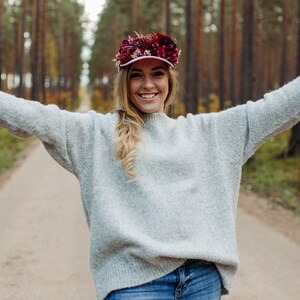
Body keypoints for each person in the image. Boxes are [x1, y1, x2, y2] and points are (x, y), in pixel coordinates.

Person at [0, 32, 299, 300]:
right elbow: (34, 116)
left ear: (169, 81)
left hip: (201, 280)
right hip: (133, 284)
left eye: (157, 74)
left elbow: (275, 108)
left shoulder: (208, 132)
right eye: (136, 75)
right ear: (124, 83)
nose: (147, 85)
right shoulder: (95, 134)